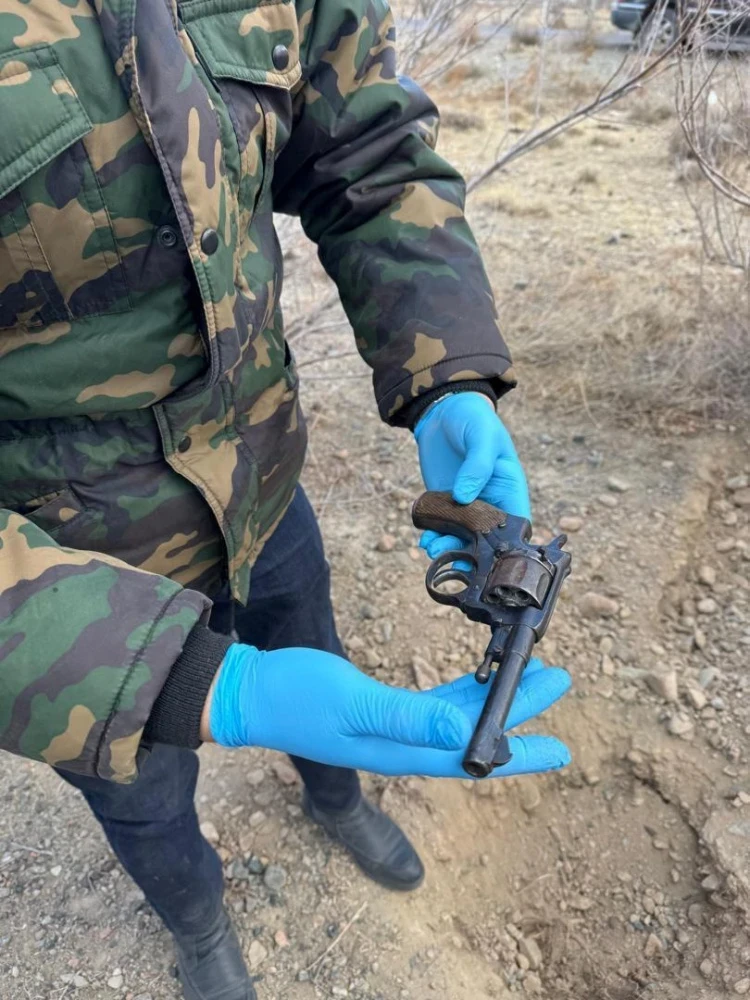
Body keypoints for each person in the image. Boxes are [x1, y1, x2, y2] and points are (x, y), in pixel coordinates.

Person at [0, 0, 571, 997]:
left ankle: (337, 801)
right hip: (71, 562)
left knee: (316, 649)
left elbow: (368, 149)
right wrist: (197, 687)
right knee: (141, 794)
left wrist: (448, 376)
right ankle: (199, 924)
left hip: (264, 481)